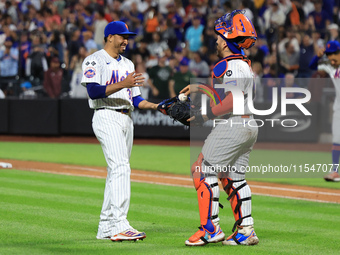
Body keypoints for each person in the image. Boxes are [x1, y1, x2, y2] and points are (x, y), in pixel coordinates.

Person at [180, 10, 259, 246]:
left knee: (201, 170)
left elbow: (231, 100)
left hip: (233, 124)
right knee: (234, 178)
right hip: (248, 124)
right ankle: (246, 230)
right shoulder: (242, 64)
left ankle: (210, 230)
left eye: (218, 36)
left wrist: (202, 116)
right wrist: (200, 88)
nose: (216, 40)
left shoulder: (233, 65)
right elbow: (228, 95)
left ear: (225, 40)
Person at [81, 21, 160, 241]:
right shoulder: (94, 60)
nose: (126, 40)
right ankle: (119, 224)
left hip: (127, 118)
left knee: (115, 172)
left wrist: (157, 107)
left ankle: (106, 226)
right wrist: (123, 83)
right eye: (122, 36)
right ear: (109, 37)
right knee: (121, 168)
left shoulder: (127, 64)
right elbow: (94, 91)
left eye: (128, 37)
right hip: (106, 115)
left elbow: (136, 99)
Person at [309, 40, 340, 182]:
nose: (331, 59)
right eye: (328, 55)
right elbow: (311, 66)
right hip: (338, 108)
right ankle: (335, 171)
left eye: (333, 55)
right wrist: (317, 56)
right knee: (336, 140)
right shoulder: (329, 66)